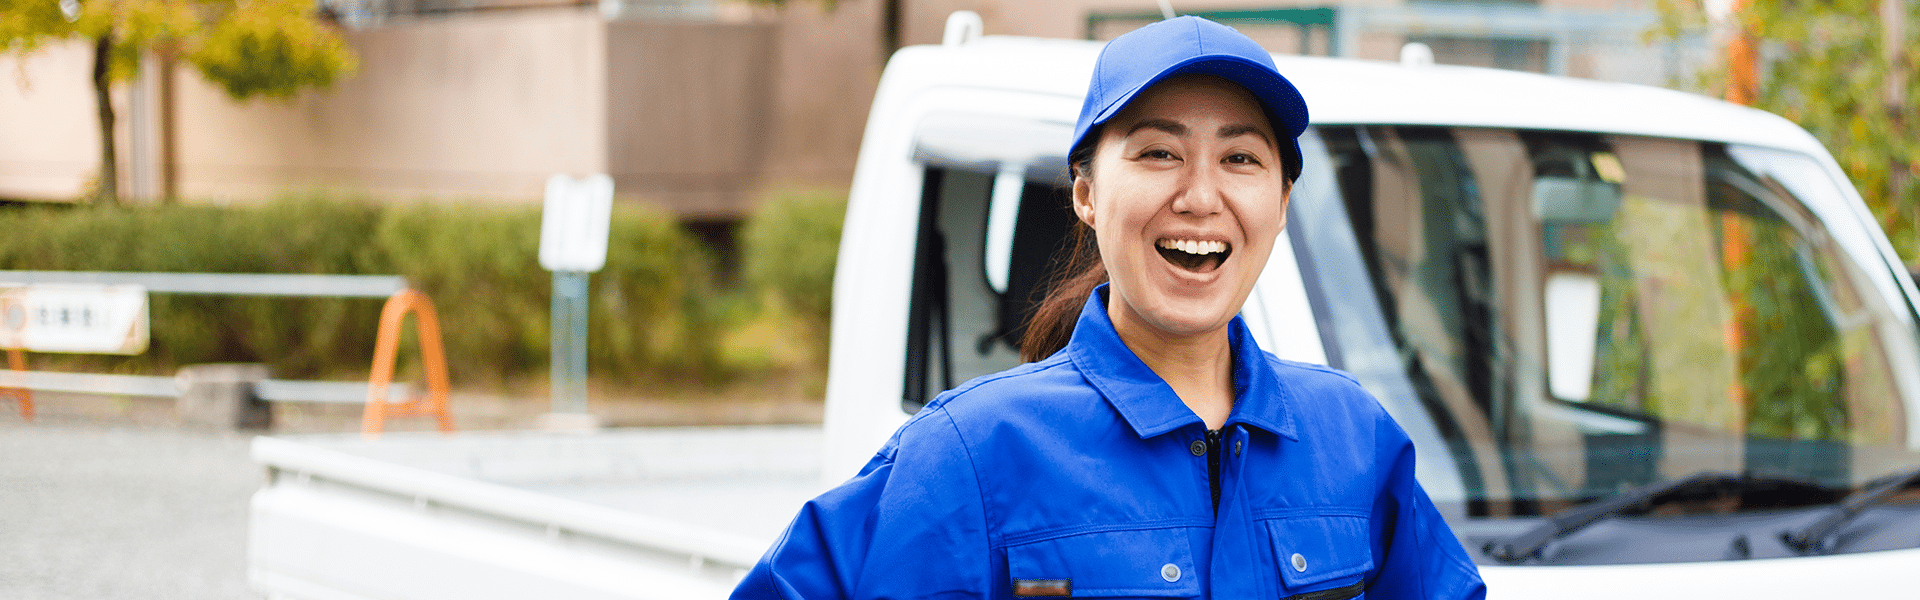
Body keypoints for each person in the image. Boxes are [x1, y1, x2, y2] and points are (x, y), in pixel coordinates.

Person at [732, 16, 1486, 600]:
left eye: (1241, 158)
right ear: (1087, 194)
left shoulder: (1352, 439)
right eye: (1158, 153)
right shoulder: (971, 454)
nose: (1199, 197)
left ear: (1282, 202)